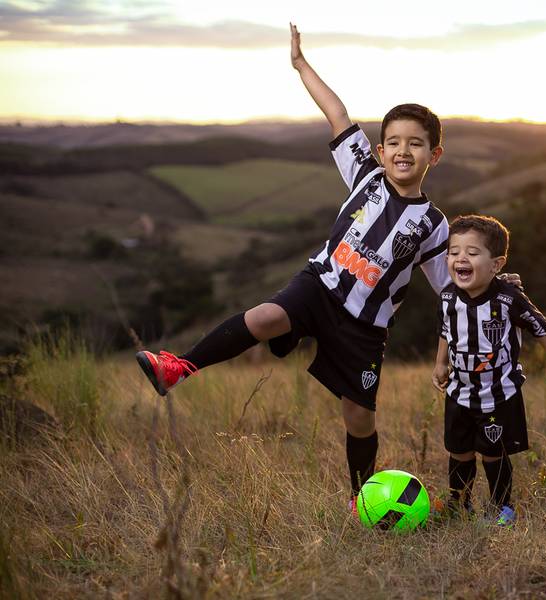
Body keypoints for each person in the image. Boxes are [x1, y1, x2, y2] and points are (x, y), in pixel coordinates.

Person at [135, 24, 520, 510]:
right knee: (265, 317)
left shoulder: (435, 225)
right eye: (394, 141)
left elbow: (454, 283)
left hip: (365, 326)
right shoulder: (364, 173)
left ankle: (364, 499)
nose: (403, 150)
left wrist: (497, 283)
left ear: (434, 155)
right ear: (380, 151)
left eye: (416, 143)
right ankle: (178, 366)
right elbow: (336, 112)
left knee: (358, 417)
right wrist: (300, 64)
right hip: (318, 286)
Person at [432, 215, 546, 526]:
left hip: (497, 393)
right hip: (459, 391)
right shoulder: (448, 297)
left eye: (472, 252)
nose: (460, 259)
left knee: (493, 452)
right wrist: (441, 362)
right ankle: (460, 504)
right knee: (459, 452)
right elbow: (446, 330)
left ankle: (501, 508)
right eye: (454, 252)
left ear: (496, 264)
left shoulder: (508, 298)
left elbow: (540, 325)